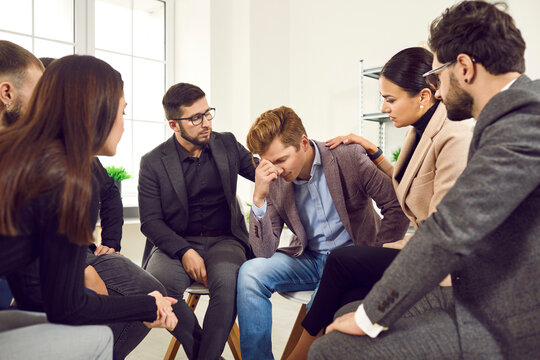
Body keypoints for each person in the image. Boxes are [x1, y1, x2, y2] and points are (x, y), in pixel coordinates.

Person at [310, 1, 540, 359]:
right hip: (483, 289)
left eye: (437, 76)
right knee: (343, 317)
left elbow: (449, 228)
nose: (435, 89)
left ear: (464, 67)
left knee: (334, 349)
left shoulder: (523, 122)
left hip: (508, 317)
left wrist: (372, 316)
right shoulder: (513, 115)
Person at [286, 47, 474, 359]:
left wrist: (387, 247)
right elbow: (413, 183)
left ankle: (298, 356)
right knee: (348, 299)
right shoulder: (419, 129)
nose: (384, 107)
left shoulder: (454, 135)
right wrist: (374, 152)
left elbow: (443, 233)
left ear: (424, 97)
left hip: (444, 267)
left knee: (343, 261)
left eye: (390, 99)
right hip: (421, 248)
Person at [0, 53, 179, 358]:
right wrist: (149, 305)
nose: (124, 126)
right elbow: (67, 307)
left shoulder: (23, 154)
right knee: (97, 336)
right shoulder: (63, 176)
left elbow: (32, 293)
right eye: (122, 112)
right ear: (96, 111)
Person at [237, 106, 410, 360]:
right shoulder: (271, 178)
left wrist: (377, 252)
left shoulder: (348, 157)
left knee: (320, 302)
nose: (276, 170)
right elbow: (263, 252)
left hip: (350, 261)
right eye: (268, 162)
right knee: (250, 273)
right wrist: (259, 198)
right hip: (307, 257)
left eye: (281, 160)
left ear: (303, 143)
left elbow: (396, 205)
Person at [138, 82, 256, 360]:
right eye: (195, 118)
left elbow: (258, 169)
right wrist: (184, 251)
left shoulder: (226, 142)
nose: (206, 123)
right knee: (157, 286)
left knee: (229, 284)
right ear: (173, 125)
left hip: (225, 239)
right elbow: (151, 222)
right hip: (176, 242)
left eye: (208, 113)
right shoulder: (153, 162)